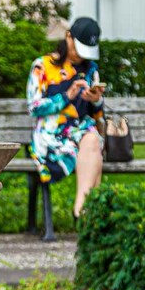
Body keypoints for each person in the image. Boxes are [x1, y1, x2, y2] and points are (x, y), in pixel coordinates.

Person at [26, 17, 105, 221]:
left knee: (92, 139)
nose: (81, 56)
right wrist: (66, 97)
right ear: (68, 37)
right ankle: (87, 213)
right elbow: (34, 108)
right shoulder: (42, 66)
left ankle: (81, 209)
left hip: (81, 132)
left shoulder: (90, 70)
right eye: (80, 49)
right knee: (92, 143)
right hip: (51, 135)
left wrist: (95, 101)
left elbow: (97, 117)